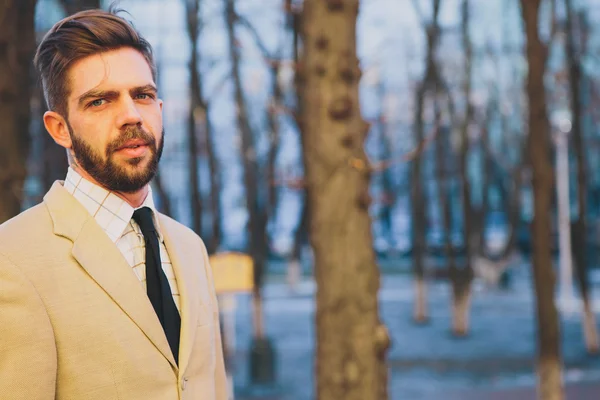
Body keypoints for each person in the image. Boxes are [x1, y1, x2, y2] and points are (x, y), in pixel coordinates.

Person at [0, 8, 227, 400]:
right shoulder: (12, 259)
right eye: (100, 101)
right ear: (60, 129)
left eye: (143, 95)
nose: (131, 115)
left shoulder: (190, 248)